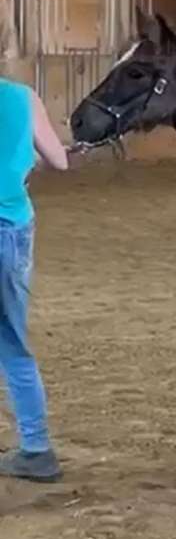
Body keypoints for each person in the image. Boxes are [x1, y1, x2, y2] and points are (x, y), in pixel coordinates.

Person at [0, 75, 69, 482]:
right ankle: (36, 447)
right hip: (13, 229)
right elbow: (58, 160)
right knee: (13, 344)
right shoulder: (24, 97)